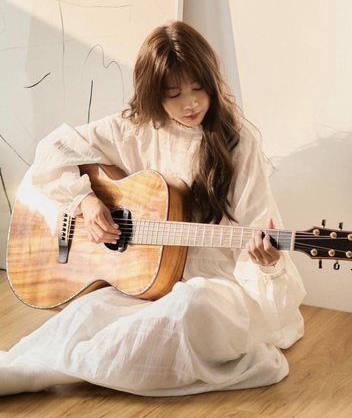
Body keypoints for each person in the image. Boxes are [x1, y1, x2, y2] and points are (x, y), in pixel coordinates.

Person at [0, 21, 305, 396]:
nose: (190, 103)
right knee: (86, 315)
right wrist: (86, 202)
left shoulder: (237, 142)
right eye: (174, 93)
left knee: (188, 305)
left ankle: (47, 374)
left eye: (198, 88)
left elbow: (256, 224)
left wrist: (267, 262)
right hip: (146, 282)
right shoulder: (134, 129)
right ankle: (30, 368)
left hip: (217, 285)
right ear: (153, 94)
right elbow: (54, 149)